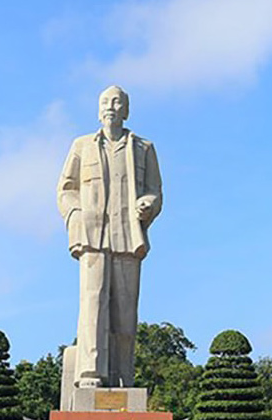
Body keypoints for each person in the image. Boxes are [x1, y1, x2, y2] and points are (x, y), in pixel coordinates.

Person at [56, 85, 163, 388]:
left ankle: (122, 375)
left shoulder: (143, 148)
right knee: (93, 304)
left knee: (125, 314)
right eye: (105, 101)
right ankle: (91, 372)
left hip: (128, 237)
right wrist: (76, 215)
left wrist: (149, 204)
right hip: (92, 236)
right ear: (98, 108)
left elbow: (156, 191)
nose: (111, 106)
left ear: (126, 110)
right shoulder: (82, 146)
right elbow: (66, 189)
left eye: (117, 102)